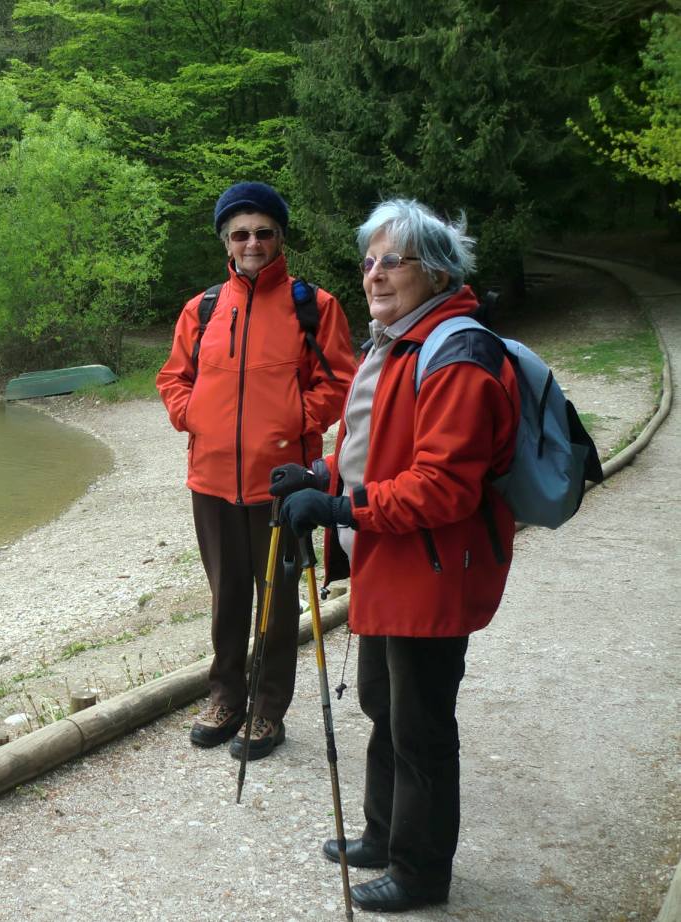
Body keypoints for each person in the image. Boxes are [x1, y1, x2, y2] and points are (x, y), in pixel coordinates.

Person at [270, 199, 520, 913]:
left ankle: (420, 871)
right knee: (384, 705)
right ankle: (382, 835)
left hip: (432, 572)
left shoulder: (456, 355)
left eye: (392, 261)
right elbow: (378, 452)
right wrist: (320, 475)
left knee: (421, 726)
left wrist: (338, 509)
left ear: (435, 272)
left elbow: (442, 487)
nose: (374, 275)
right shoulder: (397, 342)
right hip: (389, 562)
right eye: (368, 261)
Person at [156, 182, 355, 760]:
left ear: (279, 238)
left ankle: (268, 709)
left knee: (277, 601)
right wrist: (193, 415)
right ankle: (225, 697)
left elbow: (339, 382)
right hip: (212, 480)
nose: (252, 243)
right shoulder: (204, 308)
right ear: (226, 241)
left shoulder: (314, 306)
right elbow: (173, 378)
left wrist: (293, 422)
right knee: (226, 596)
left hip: (281, 484)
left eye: (263, 232)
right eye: (240, 234)